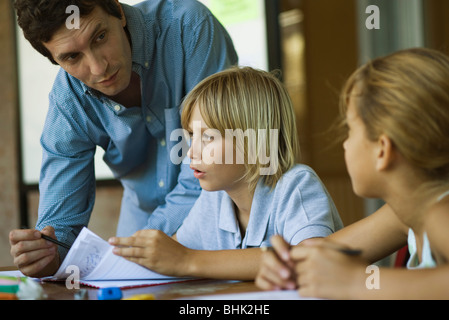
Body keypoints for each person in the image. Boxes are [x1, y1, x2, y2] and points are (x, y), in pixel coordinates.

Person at [9, 0, 238, 278]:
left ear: (118, 10)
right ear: (54, 59)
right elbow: (60, 224)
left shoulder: (188, 27)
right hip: (143, 212)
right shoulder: (68, 102)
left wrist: (141, 245)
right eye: (72, 57)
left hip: (219, 200)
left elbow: (217, 158)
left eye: (100, 37)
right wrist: (48, 253)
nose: (98, 68)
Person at [108, 66, 343, 280]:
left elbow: (310, 262)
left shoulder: (296, 186)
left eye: (208, 137)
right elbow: (173, 254)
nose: (191, 153)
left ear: (255, 142)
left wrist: (188, 261)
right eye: (191, 136)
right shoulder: (214, 199)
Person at [255, 48, 449, 299]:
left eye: (350, 131)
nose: (345, 144)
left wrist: (356, 282)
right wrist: (286, 265)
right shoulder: (406, 214)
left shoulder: (440, 213)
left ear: (382, 149)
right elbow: (323, 253)